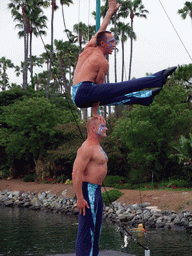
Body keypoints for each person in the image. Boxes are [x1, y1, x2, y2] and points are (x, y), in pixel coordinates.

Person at [72, 0, 177, 122]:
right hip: (84, 92)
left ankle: (146, 97)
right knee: (121, 87)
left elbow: (101, 30)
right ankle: (158, 78)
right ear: (102, 43)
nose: (114, 45)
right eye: (111, 42)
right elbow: (99, 91)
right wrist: (95, 113)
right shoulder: (102, 62)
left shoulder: (88, 48)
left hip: (76, 94)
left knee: (116, 95)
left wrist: (110, 11)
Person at [72, 117, 108, 256]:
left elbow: (94, 119)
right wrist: (80, 198)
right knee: (87, 230)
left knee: (96, 230)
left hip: (97, 191)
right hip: (88, 191)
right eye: (103, 126)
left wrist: (95, 109)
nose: (105, 128)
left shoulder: (96, 145)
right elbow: (76, 173)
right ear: (93, 128)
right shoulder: (87, 147)